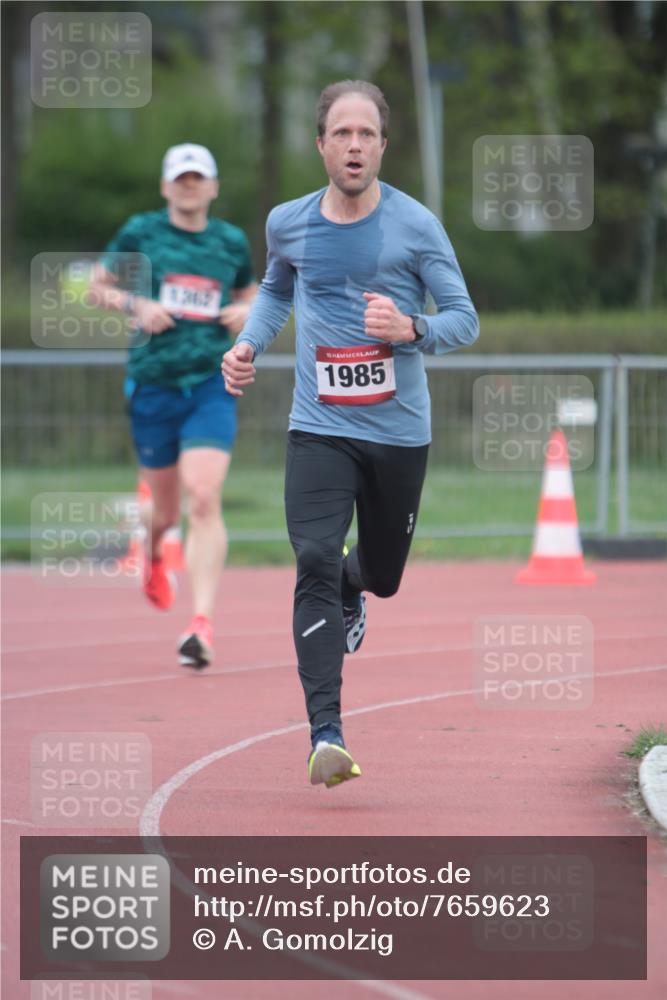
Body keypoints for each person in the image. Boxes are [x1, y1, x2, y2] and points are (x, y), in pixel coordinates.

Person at [222, 81, 478, 788]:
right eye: (342, 133)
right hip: (319, 426)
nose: (355, 145)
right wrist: (247, 345)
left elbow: (463, 318)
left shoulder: (415, 225)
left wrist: (411, 327)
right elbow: (277, 289)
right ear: (321, 145)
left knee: (383, 576)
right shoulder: (288, 223)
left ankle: (353, 584)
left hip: (397, 433)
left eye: (367, 134)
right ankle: (326, 735)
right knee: (311, 555)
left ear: (383, 146)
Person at [89, 143, 257, 668]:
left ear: (213, 187)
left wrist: (245, 312)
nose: (189, 186)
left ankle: (201, 624)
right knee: (164, 512)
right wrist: (136, 303)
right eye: (180, 178)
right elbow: (95, 287)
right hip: (153, 385)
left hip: (210, 383)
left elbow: (253, 294)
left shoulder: (230, 241)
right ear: (165, 186)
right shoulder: (141, 233)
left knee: (203, 497)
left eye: (197, 178)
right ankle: (153, 547)